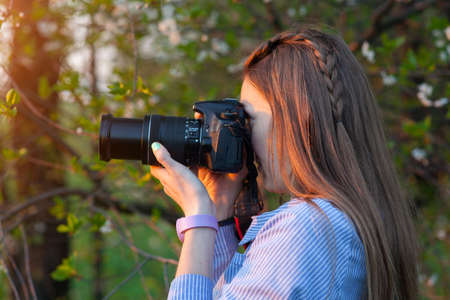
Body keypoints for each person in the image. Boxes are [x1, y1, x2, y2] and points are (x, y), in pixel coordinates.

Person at [149, 26, 419, 299]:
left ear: (297, 118)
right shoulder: (349, 220)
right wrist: (217, 209)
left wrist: (198, 220)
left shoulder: (304, 226)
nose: (242, 135)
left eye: (249, 118)